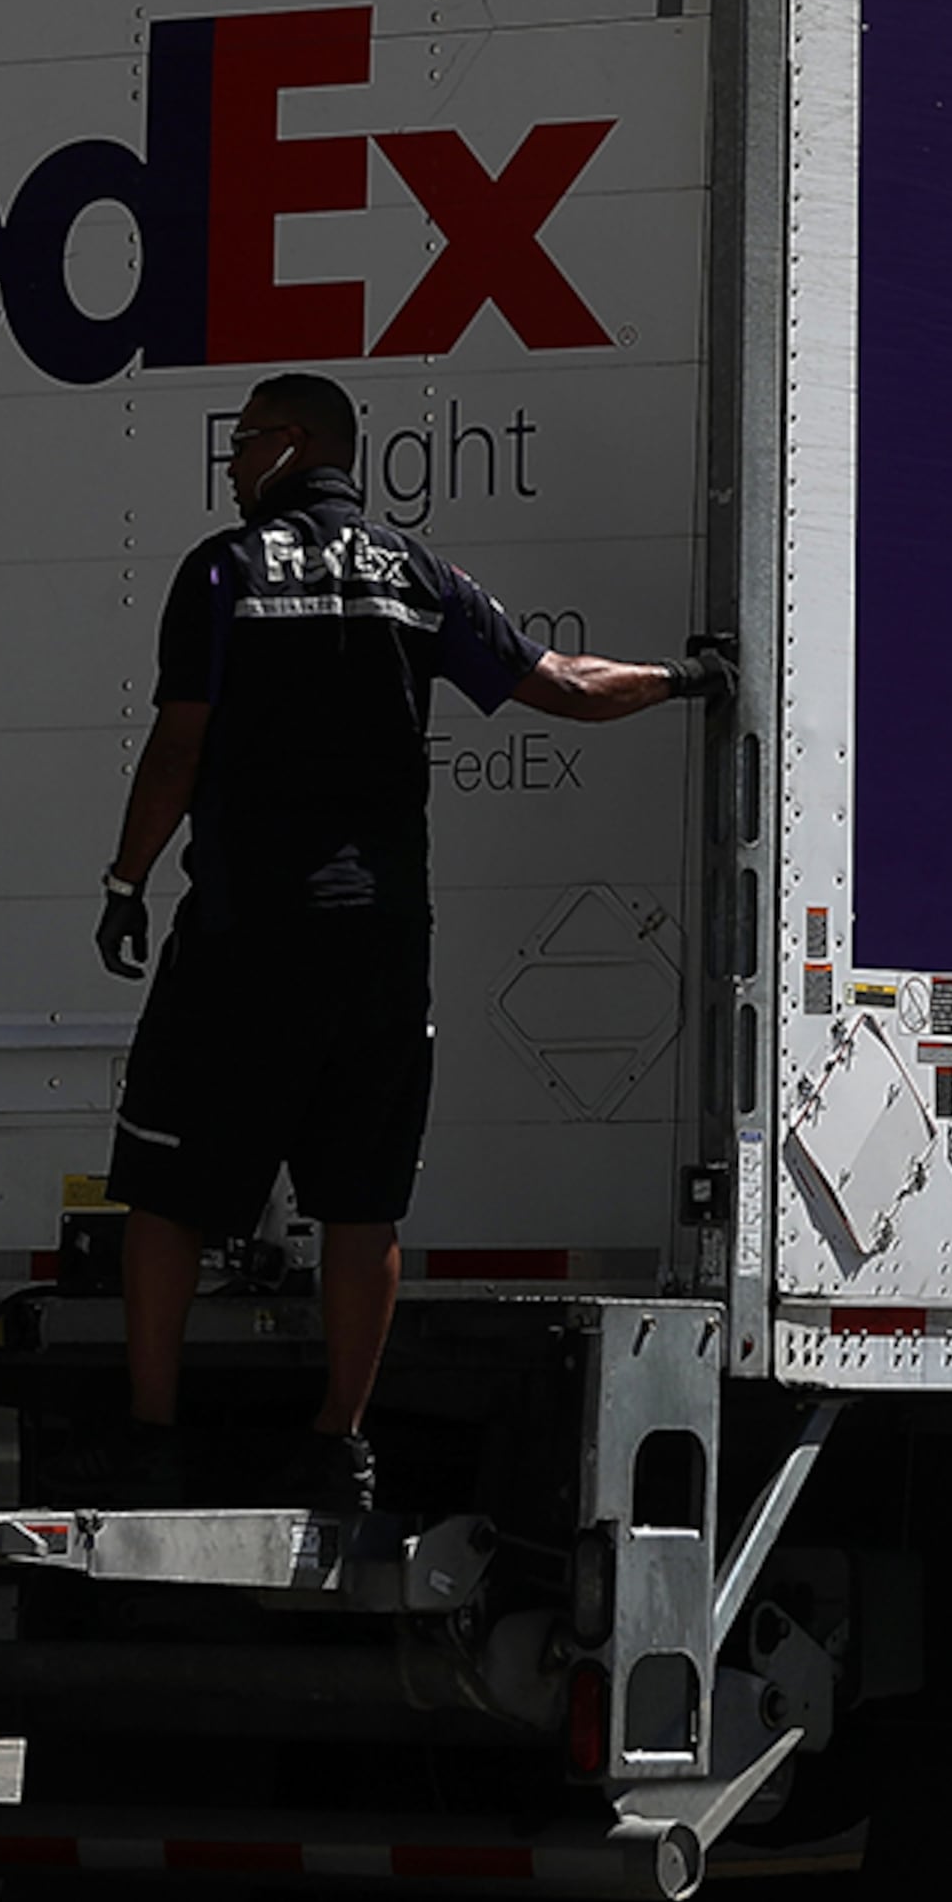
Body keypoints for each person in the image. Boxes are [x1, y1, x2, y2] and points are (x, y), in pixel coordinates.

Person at [82, 370, 727, 1511]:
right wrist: (690, 678)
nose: (231, 468)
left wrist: (126, 879)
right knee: (361, 1199)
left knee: (171, 1192)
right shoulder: (417, 575)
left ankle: (146, 1436)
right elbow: (562, 685)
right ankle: (341, 1443)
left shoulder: (223, 572)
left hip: (245, 933)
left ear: (290, 444)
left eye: (240, 446)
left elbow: (178, 748)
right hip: (379, 939)